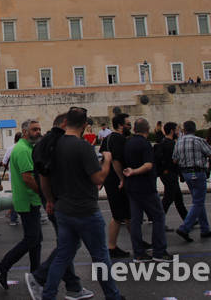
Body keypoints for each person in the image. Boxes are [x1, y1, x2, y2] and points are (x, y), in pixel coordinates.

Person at [41, 107, 123, 300]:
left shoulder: (54, 145)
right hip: (86, 211)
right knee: (101, 258)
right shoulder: (83, 146)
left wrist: (51, 200)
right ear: (85, 125)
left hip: (63, 210)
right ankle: (113, 296)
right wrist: (107, 161)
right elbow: (98, 179)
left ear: (66, 122)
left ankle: (48, 295)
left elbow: (44, 177)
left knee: (62, 257)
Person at [26, 113, 94, 300]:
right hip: (59, 202)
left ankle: (73, 286)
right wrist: (50, 199)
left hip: (55, 200)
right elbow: (45, 175)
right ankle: (39, 277)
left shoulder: (46, 144)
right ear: (64, 124)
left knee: (67, 244)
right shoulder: (55, 145)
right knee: (69, 245)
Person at [0, 119, 43, 289]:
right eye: (35, 129)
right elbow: (28, 178)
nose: (38, 132)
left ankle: (36, 274)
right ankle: (3, 266)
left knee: (36, 239)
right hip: (27, 201)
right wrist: (44, 194)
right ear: (25, 131)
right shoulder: (22, 150)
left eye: (39, 129)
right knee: (31, 239)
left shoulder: (28, 148)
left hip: (31, 200)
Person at [122, 118, 171, 262]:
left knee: (136, 220)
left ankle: (139, 253)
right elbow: (148, 165)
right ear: (147, 129)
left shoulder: (128, 142)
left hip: (131, 186)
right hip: (145, 186)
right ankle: (159, 252)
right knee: (158, 216)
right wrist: (135, 171)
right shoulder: (145, 144)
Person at [172, 120, 211, 242]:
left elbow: (174, 160)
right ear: (195, 129)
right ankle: (185, 228)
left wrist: (180, 174)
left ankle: (205, 229)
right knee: (198, 201)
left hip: (186, 173)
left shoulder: (179, 142)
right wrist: (209, 171)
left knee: (198, 199)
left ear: (184, 130)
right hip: (198, 172)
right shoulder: (198, 140)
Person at [99, 113, 132, 258]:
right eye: (128, 124)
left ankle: (136, 241)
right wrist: (122, 179)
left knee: (124, 214)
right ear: (120, 125)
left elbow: (103, 159)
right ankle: (112, 247)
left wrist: (101, 179)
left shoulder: (107, 138)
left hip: (109, 180)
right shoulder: (119, 139)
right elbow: (115, 161)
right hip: (116, 180)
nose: (130, 126)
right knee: (122, 214)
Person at [154, 122, 187, 225]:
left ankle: (187, 219)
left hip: (166, 174)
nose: (178, 131)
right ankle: (159, 221)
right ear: (172, 131)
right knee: (168, 199)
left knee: (178, 198)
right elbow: (175, 161)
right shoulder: (172, 144)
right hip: (170, 174)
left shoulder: (163, 142)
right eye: (177, 129)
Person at [4, 133, 20, 226]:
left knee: (16, 196)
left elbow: (4, 162)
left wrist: (11, 169)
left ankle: (13, 216)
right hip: (22, 176)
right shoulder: (25, 147)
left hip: (13, 177)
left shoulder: (10, 148)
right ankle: (13, 216)